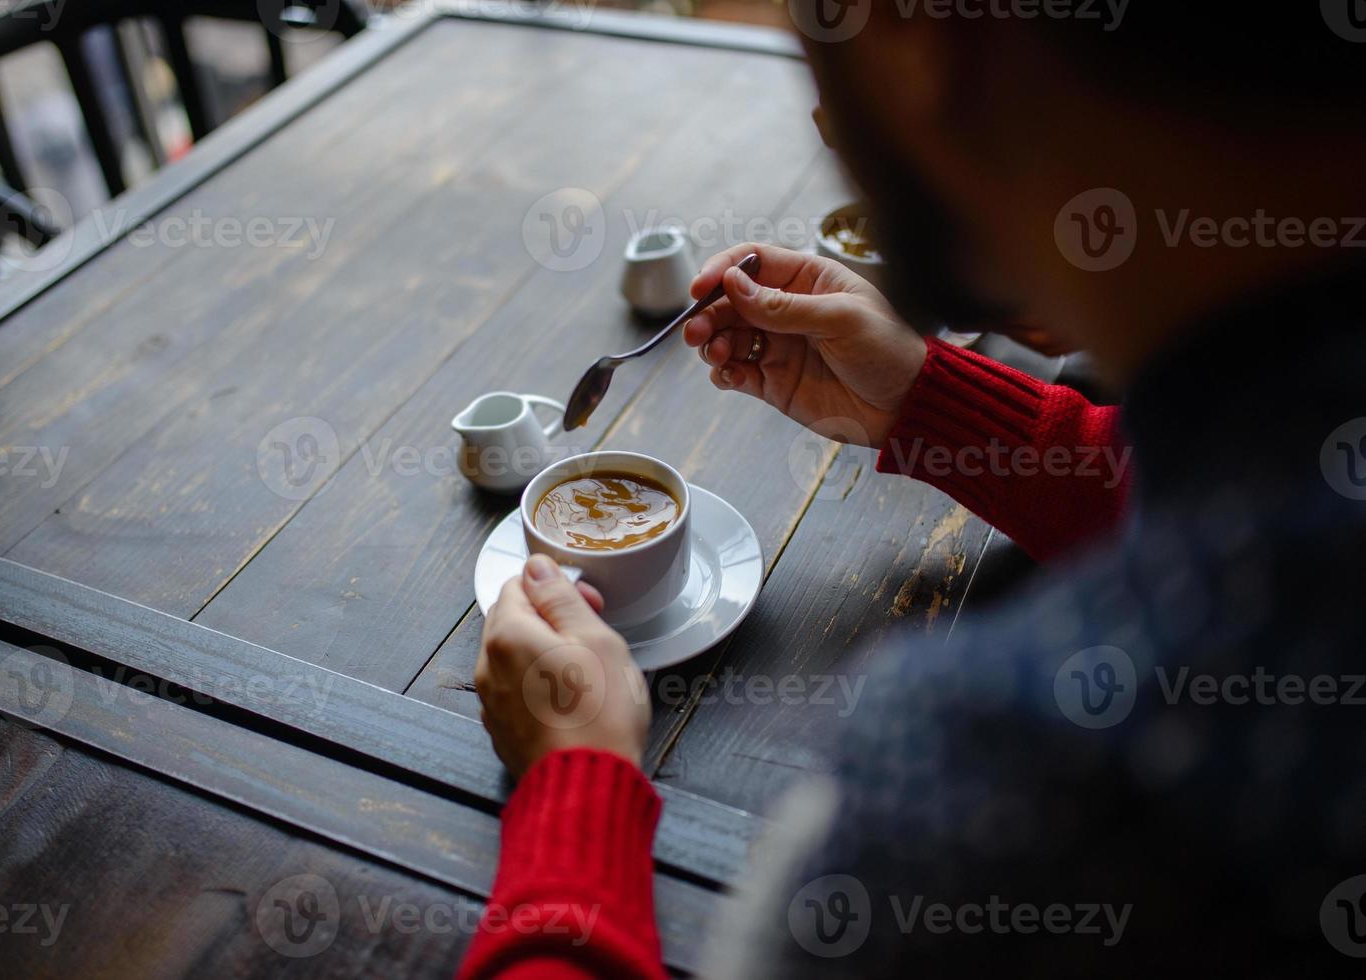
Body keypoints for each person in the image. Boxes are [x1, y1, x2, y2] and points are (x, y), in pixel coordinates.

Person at [461, 3, 1366, 976]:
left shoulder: (985, 797)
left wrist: (575, 792)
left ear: (915, 44)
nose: (820, 120)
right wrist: (930, 403)